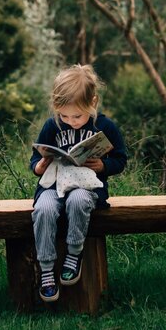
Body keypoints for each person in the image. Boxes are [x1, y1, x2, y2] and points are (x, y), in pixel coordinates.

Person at [30, 64, 127, 303]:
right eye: (64, 115)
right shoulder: (52, 126)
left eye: (77, 116)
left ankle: (74, 253)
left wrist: (103, 166)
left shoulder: (105, 127)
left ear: (92, 102)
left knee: (78, 199)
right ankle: (46, 268)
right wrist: (38, 166)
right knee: (43, 209)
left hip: (87, 188)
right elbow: (36, 158)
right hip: (53, 187)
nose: (71, 121)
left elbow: (120, 160)